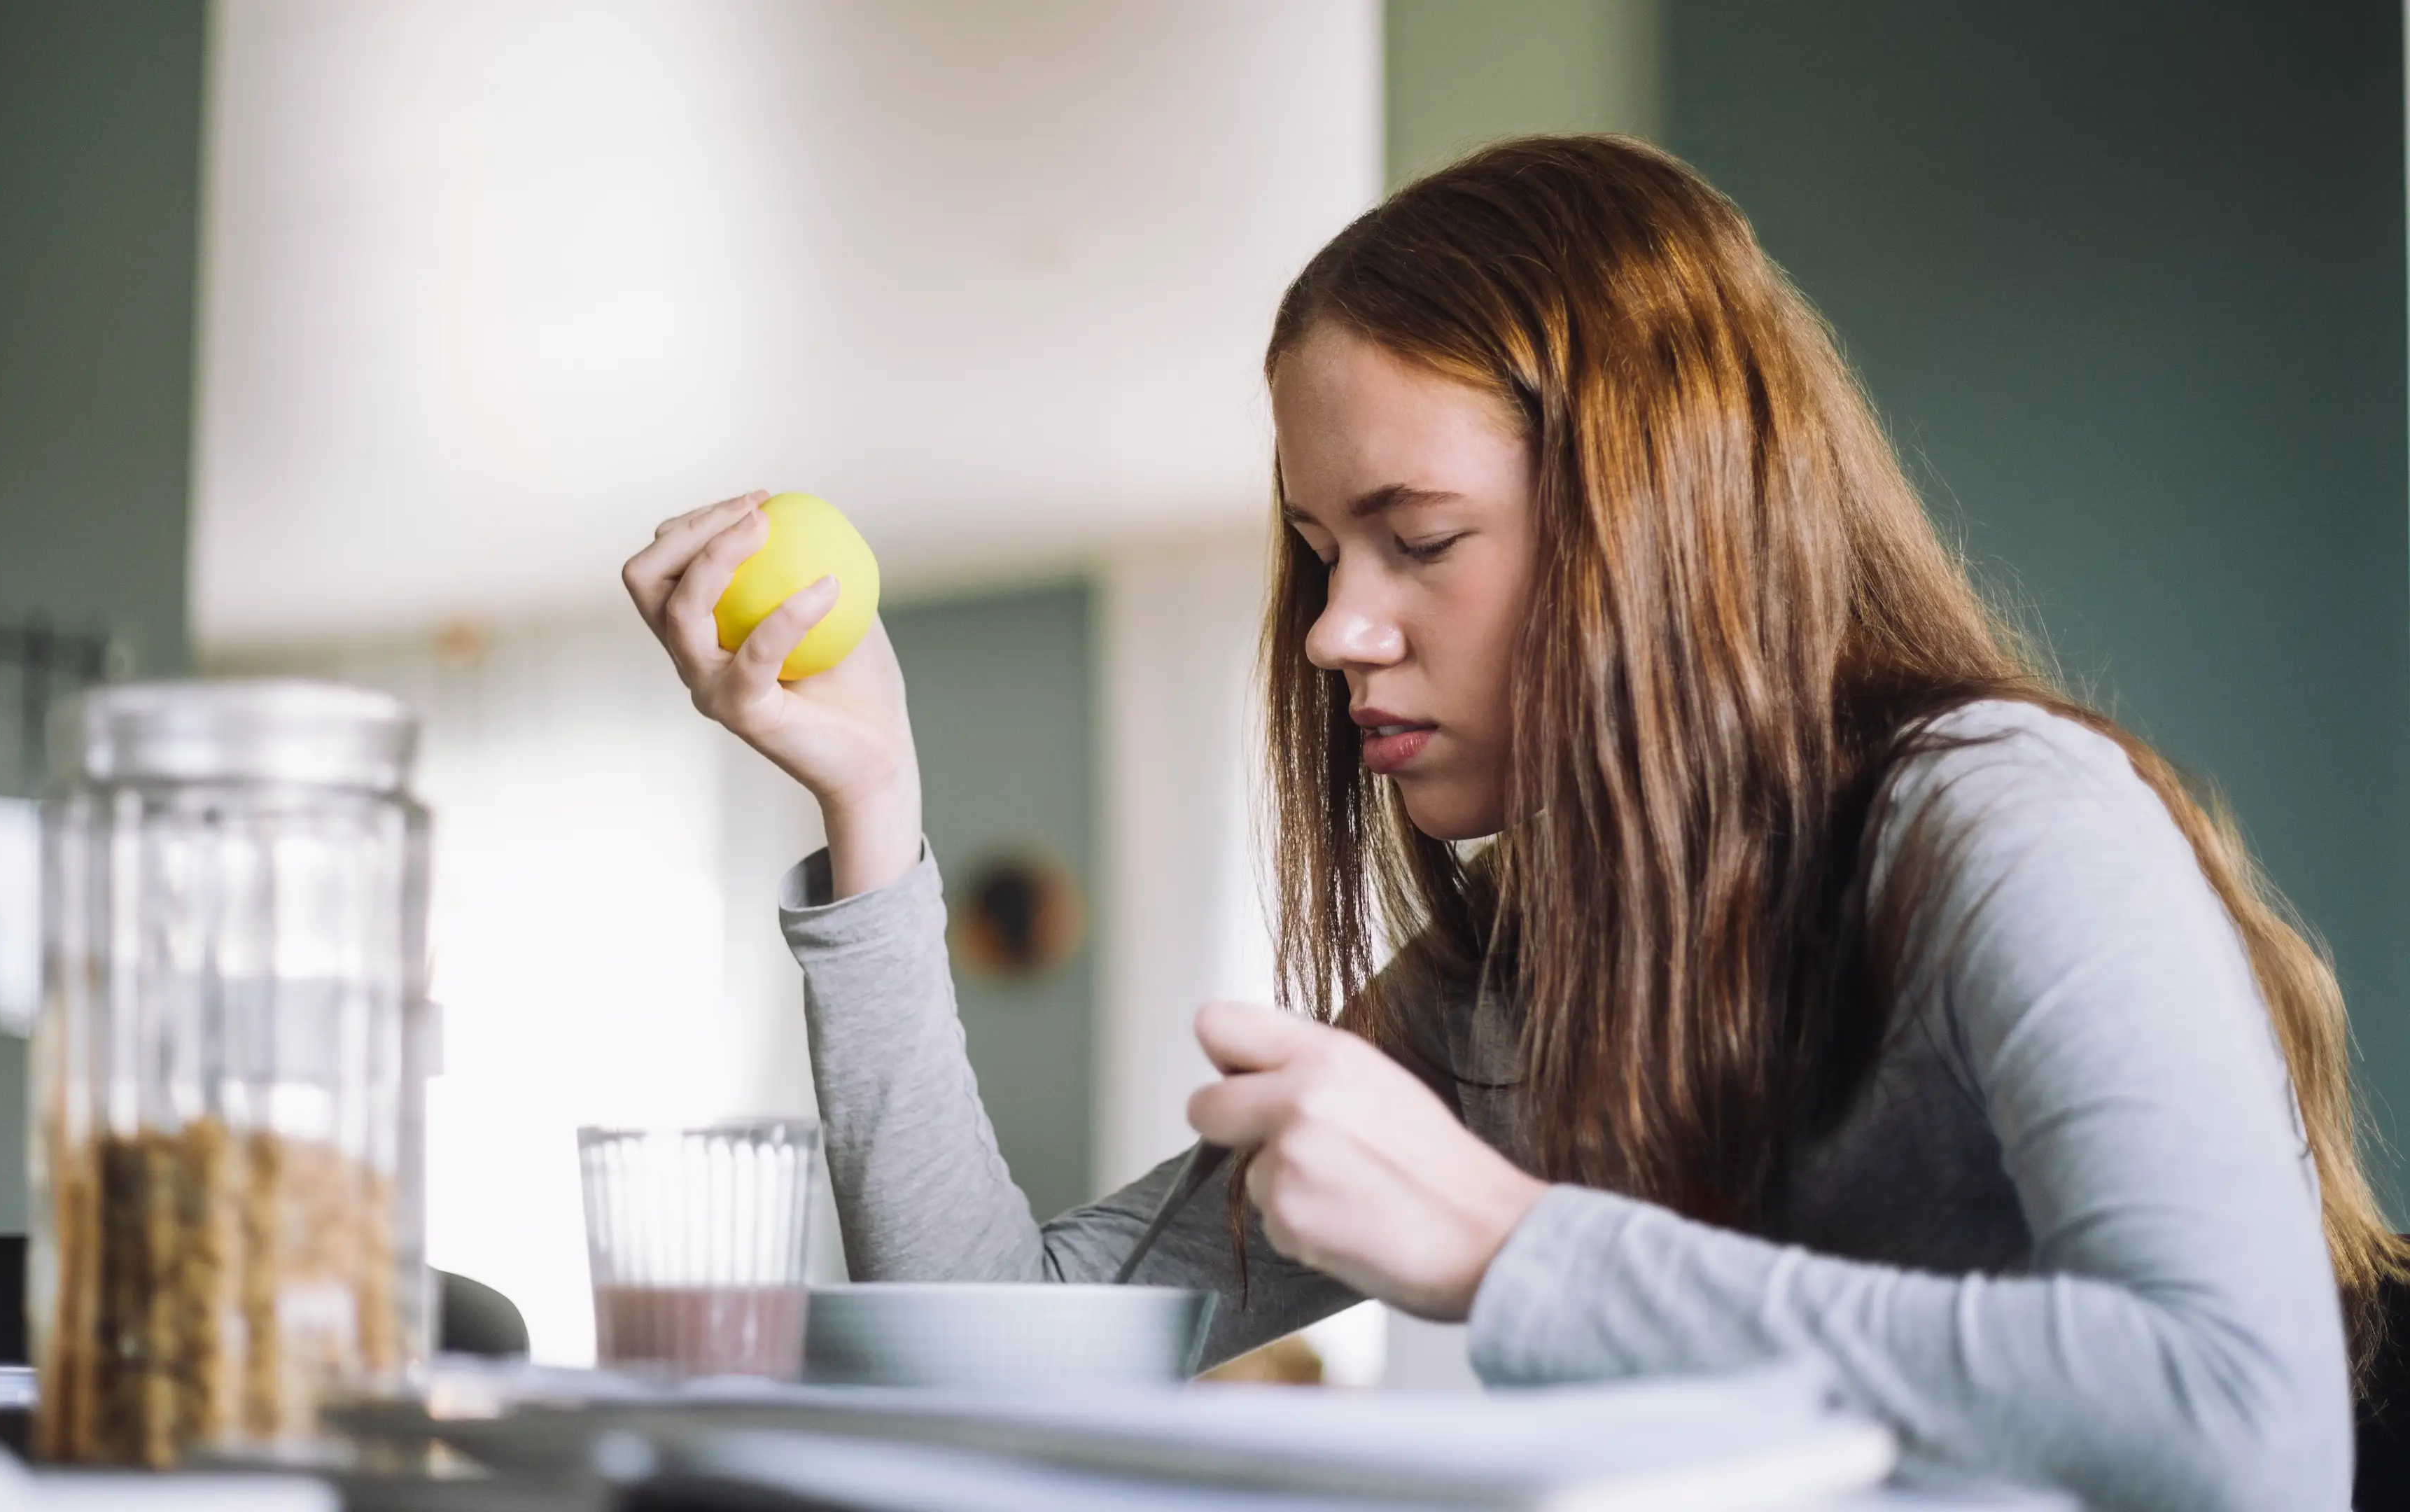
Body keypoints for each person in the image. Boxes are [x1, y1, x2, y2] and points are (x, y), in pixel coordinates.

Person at [620, 136, 2391, 1510]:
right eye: (1322, 552)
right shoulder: (1509, 990)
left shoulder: (2003, 825)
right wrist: (876, 807)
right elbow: (998, 1342)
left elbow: (2245, 1430)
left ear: (1661, 513)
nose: (1334, 629)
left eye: (1423, 538)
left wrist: (1511, 1249)